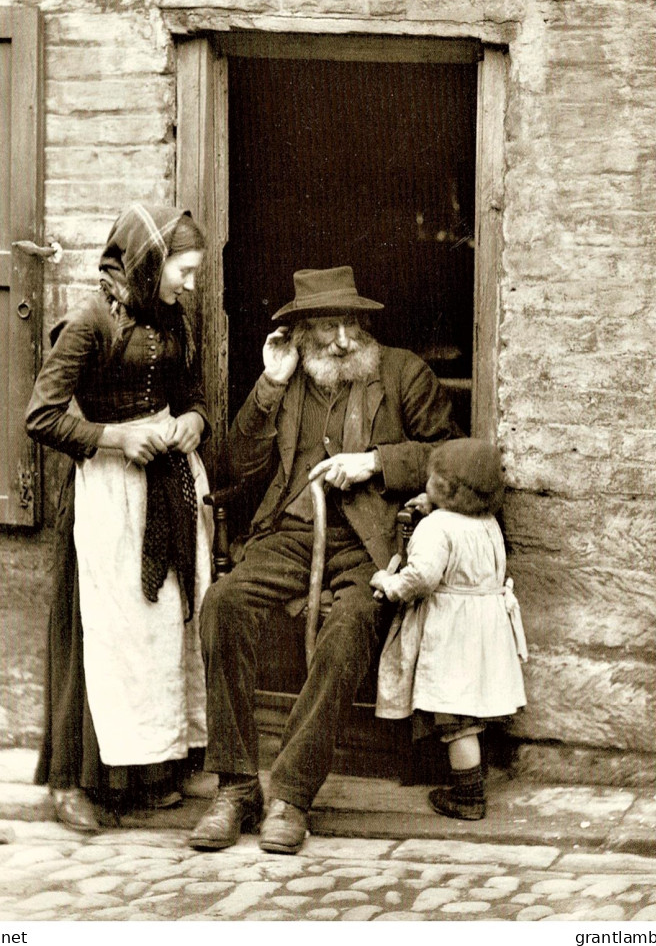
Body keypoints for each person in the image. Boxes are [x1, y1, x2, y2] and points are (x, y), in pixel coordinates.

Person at [189, 265, 461, 855]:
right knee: (222, 604)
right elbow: (237, 462)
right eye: (326, 326)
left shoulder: (401, 372)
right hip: (289, 533)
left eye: (352, 324)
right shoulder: (286, 379)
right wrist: (266, 386)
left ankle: (290, 794)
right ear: (302, 334)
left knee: (348, 630)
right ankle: (237, 787)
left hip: (369, 544)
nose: (341, 338)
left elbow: (451, 455)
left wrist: (377, 463)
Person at [26, 204, 213, 833]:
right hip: (108, 492)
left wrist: (194, 420)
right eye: (182, 271)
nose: (188, 283)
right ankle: (72, 783)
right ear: (150, 262)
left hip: (166, 484)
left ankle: (142, 775)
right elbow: (42, 417)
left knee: (156, 631)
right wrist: (115, 438)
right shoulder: (88, 323)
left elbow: (190, 395)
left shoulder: (172, 317)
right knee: (97, 635)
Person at [371, 438, 528, 821]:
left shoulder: (438, 528)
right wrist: (433, 507)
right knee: (469, 709)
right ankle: (470, 785)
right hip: (485, 629)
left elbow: (423, 576)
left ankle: (468, 796)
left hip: (453, 629)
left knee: (457, 721)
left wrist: (389, 584)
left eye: (433, 480)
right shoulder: (487, 522)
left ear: (447, 489)